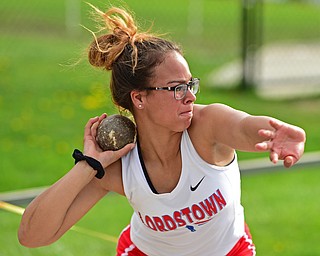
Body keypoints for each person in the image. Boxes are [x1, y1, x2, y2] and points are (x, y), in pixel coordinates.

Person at [18, 4, 306, 256]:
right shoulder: (120, 165)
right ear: (139, 98)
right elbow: (33, 236)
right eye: (176, 89)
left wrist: (273, 133)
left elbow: (243, 127)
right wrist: (88, 165)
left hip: (229, 251)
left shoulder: (207, 126)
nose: (190, 96)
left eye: (190, 84)